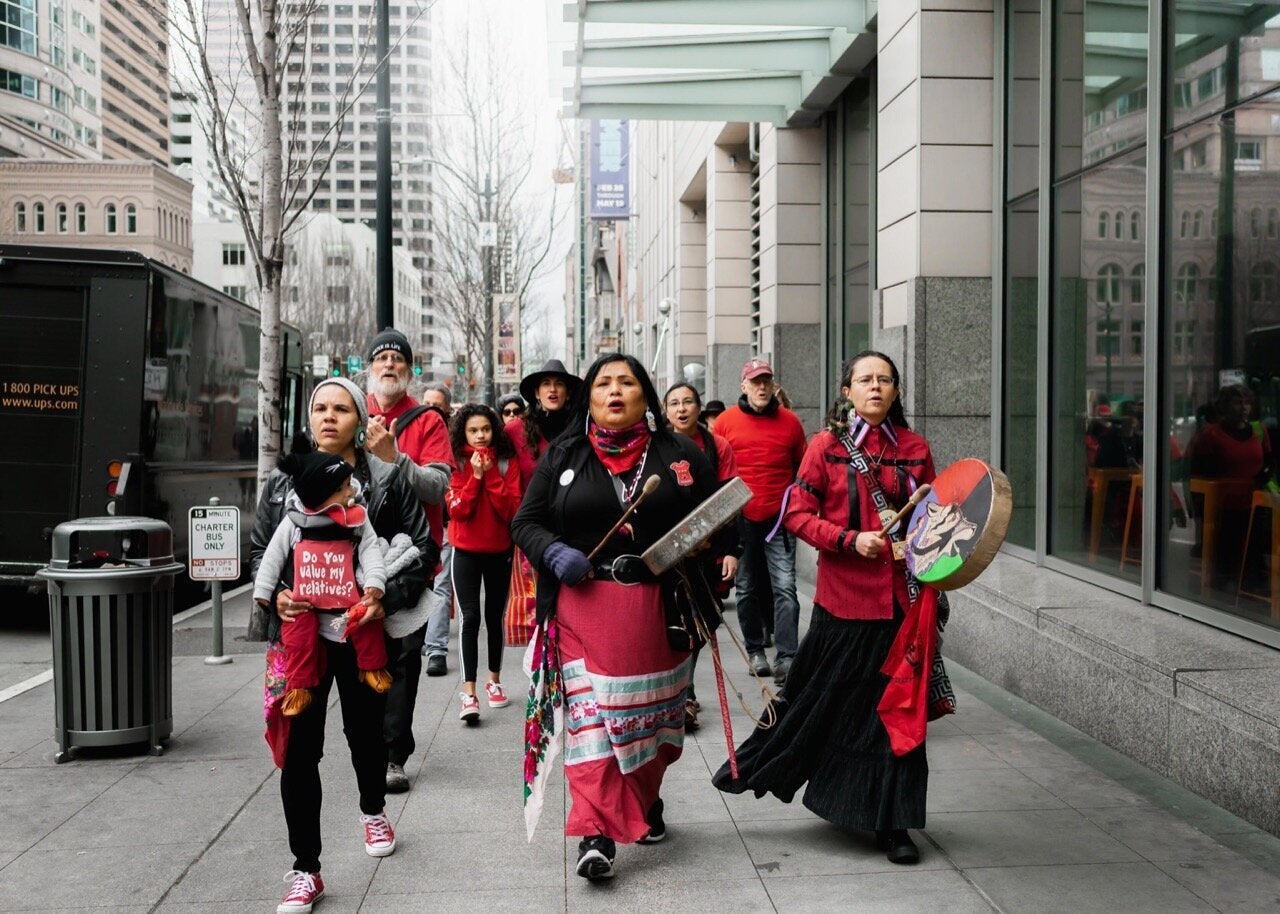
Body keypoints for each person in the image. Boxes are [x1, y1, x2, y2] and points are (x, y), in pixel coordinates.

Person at [713, 350, 937, 866]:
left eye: (885, 380)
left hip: (903, 606)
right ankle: (781, 771)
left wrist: (928, 551)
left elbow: (933, 518)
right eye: (865, 380)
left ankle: (893, 821)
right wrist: (847, 539)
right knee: (824, 705)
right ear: (847, 391)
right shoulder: (826, 447)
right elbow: (796, 513)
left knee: (896, 713)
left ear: (897, 392)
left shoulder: (916, 450)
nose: (876, 387)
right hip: (845, 603)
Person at [511, 353, 723, 882]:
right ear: (592, 397)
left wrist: (714, 555)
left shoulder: (681, 455)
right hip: (582, 607)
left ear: (643, 395)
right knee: (593, 725)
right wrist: (554, 552)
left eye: (626, 382)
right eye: (603, 382)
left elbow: (716, 518)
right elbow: (526, 522)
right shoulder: (566, 453)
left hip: (659, 610)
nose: (614, 391)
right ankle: (595, 833)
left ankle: (644, 799)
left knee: (651, 727)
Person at [251, 377, 437, 914]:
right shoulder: (279, 486)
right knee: (300, 751)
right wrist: (279, 597)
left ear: (361, 419)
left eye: (341, 409)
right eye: (319, 409)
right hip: (301, 637)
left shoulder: (384, 481)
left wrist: (386, 596)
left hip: (363, 633)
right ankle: (305, 868)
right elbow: (261, 551)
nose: (328, 417)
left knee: (365, 732)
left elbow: (421, 549)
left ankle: (372, 808)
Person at [362, 329, 455, 794]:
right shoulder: (351, 411)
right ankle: (369, 744)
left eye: (398, 358)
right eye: (381, 359)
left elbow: (438, 488)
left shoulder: (429, 422)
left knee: (402, 658)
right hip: (355, 559)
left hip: (413, 559)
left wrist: (393, 457)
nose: (389, 365)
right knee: (360, 656)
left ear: (409, 369)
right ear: (369, 368)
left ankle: (393, 755)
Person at [253, 451, 390, 718]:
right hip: (305, 604)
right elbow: (272, 556)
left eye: (350, 483)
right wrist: (265, 592)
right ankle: (299, 687)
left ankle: (372, 666)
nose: (352, 489)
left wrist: (375, 581)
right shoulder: (294, 521)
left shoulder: (356, 519)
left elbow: (371, 550)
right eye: (344, 487)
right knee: (297, 637)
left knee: (366, 620)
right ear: (320, 495)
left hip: (348, 598)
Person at [713, 358, 807, 684]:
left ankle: (787, 657)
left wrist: (797, 508)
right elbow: (716, 472)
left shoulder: (791, 423)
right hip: (741, 520)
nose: (762, 387)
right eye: (755, 382)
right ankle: (755, 651)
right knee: (747, 588)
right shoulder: (724, 423)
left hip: (779, 519)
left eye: (766, 380)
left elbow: (802, 471)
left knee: (786, 589)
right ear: (744, 386)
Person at [663, 382, 740, 729]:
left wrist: (729, 551)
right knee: (673, 622)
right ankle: (681, 696)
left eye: (688, 402)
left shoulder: (717, 446)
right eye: (674, 403)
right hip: (666, 552)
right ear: (665, 411)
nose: (681, 409)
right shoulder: (658, 447)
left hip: (707, 548)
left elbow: (728, 502)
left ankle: (685, 693)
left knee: (703, 621)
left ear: (699, 408)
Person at [446, 403, 521, 722]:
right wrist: (475, 477)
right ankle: (469, 692)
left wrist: (489, 473)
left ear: (495, 430)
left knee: (495, 616)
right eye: (473, 430)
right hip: (464, 550)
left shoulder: (505, 461)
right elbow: (458, 510)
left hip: (499, 550)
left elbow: (511, 509)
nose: (480, 436)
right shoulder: (454, 462)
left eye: (485, 429)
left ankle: (494, 681)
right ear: (463, 431)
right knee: (470, 618)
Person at [502, 359, 582, 647]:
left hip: (574, 529)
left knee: (572, 607)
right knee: (537, 613)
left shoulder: (581, 429)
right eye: (546, 384)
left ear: (569, 392)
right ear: (536, 393)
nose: (552, 390)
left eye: (559, 383)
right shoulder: (514, 431)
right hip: (532, 532)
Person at [417, 381, 456, 677]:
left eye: (436, 407)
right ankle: (421, 637)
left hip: (445, 525)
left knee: (441, 586)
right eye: (425, 404)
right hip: (416, 524)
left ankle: (436, 649)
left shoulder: (453, 437)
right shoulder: (415, 431)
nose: (430, 411)